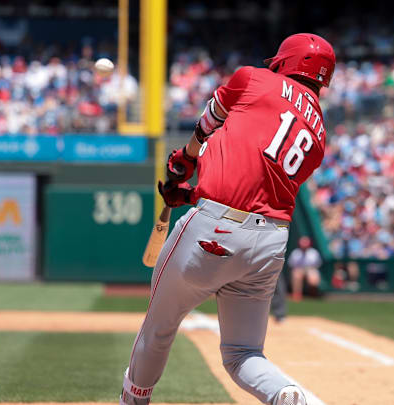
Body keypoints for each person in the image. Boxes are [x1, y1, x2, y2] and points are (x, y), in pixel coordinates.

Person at [120, 33, 335, 405]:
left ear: (285, 61)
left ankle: (132, 400)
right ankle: (291, 396)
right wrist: (189, 194)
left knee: (158, 327)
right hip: (269, 244)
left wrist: (184, 162)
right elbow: (258, 185)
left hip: (214, 227)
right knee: (243, 354)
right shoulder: (318, 135)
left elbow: (207, 126)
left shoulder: (254, 78)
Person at [288, 236, 323, 301]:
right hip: (299, 270)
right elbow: (291, 265)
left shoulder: (313, 252)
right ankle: (297, 295)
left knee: (313, 278)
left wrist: (308, 270)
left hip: (310, 269)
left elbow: (318, 264)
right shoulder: (296, 252)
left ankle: (313, 294)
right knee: (296, 274)